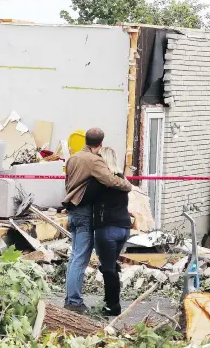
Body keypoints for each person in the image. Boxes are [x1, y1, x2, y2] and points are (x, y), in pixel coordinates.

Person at [62, 128, 132, 313]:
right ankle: (74, 302)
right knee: (80, 258)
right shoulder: (94, 160)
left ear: (85, 141)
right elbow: (110, 180)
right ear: (100, 144)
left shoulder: (73, 158)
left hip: (73, 211)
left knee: (74, 256)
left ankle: (70, 298)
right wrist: (127, 184)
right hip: (84, 212)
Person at [90, 147, 132, 316]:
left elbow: (87, 199)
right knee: (112, 266)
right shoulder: (122, 180)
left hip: (107, 229)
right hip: (124, 228)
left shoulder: (100, 182)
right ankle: (111, 301)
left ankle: (113, 306)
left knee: (108, 269)